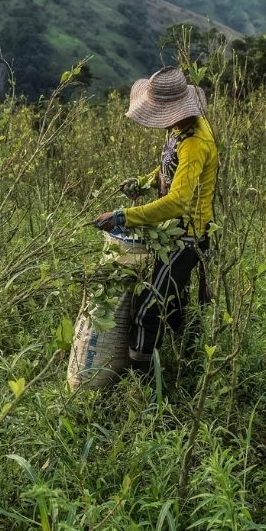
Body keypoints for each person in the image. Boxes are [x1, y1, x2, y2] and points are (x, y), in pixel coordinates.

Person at [94, 67, 218, 376]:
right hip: (171, 233)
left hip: (186, 238)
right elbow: (167, 168)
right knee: (173, 302)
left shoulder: (196, 143)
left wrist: (124, 217)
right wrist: (143, 182)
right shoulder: (179, 130)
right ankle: (184, 359)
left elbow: (178, 200)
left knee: (149, 306)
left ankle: (141, 381)